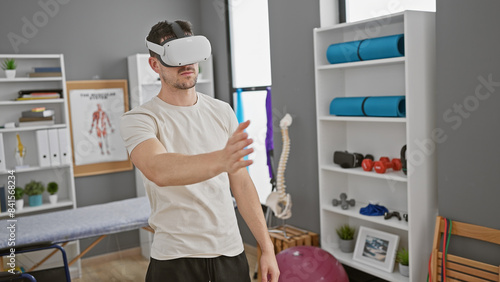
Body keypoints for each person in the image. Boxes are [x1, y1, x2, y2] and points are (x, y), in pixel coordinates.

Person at [120, 20, 280, 282]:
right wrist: (221, 159)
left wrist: (267, 248)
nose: (187, 64)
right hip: (175, 258)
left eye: (191, 54)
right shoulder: (140, 119)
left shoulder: (222, 111)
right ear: (155, 64)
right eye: (175, 56)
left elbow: (241, 184)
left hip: (230, 252)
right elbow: (158, 169)